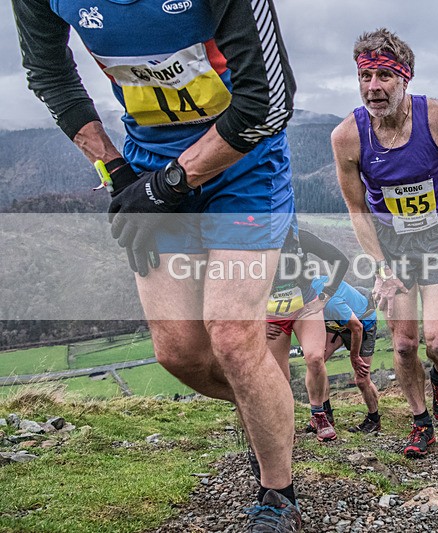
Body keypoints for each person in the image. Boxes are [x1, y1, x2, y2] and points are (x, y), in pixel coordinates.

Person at [12, 1, 303, 529]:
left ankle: (277, 492)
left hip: (245, 166)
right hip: (148, 164)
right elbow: (49, 72)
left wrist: (169, 184)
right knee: (179, 353)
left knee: (235, 338)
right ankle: (271, 411)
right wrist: (118, 169)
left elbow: (269, 104)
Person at [331, 28, 438, 458]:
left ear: (405, 78)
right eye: (365, 77)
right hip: (392, 249)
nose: (373, 88)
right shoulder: (347, 137)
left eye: (383, 77)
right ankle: (420, 422)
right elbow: (357, 210)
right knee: (402, 344)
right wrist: (381, 266)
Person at [266, 229, 349, 443]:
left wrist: (325, 295)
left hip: (305, 307)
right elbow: (237, 287)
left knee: (315, 358)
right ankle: (285, 423)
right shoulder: (251, 242)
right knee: (279, 376)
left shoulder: (299, 238)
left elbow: (340, 260)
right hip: (270, 316)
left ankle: (318, 415)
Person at [312, 277, 382, 434]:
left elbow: (357, 328)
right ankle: (325, 415)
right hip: (337, 324)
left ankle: (374, 419)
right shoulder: (306, 292)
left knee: (362, 379)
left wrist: (354, 357)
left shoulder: (331, 302)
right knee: (316, 363)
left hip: (362, 324)